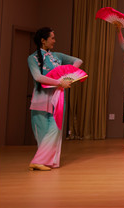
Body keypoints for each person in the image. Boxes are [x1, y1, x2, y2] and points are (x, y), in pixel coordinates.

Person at [27, 27, 83, 171]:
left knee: (55, 130)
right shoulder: (32, 58)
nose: (54, 41)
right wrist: (60, 82)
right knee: (42, 132)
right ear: (43, 40)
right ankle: (41, 162)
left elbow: (78, 61)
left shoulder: (57, 56)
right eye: (52, 38)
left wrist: (68, 77)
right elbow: (38, 77)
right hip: (40, 98)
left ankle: (41, 161)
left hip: (57, 98)